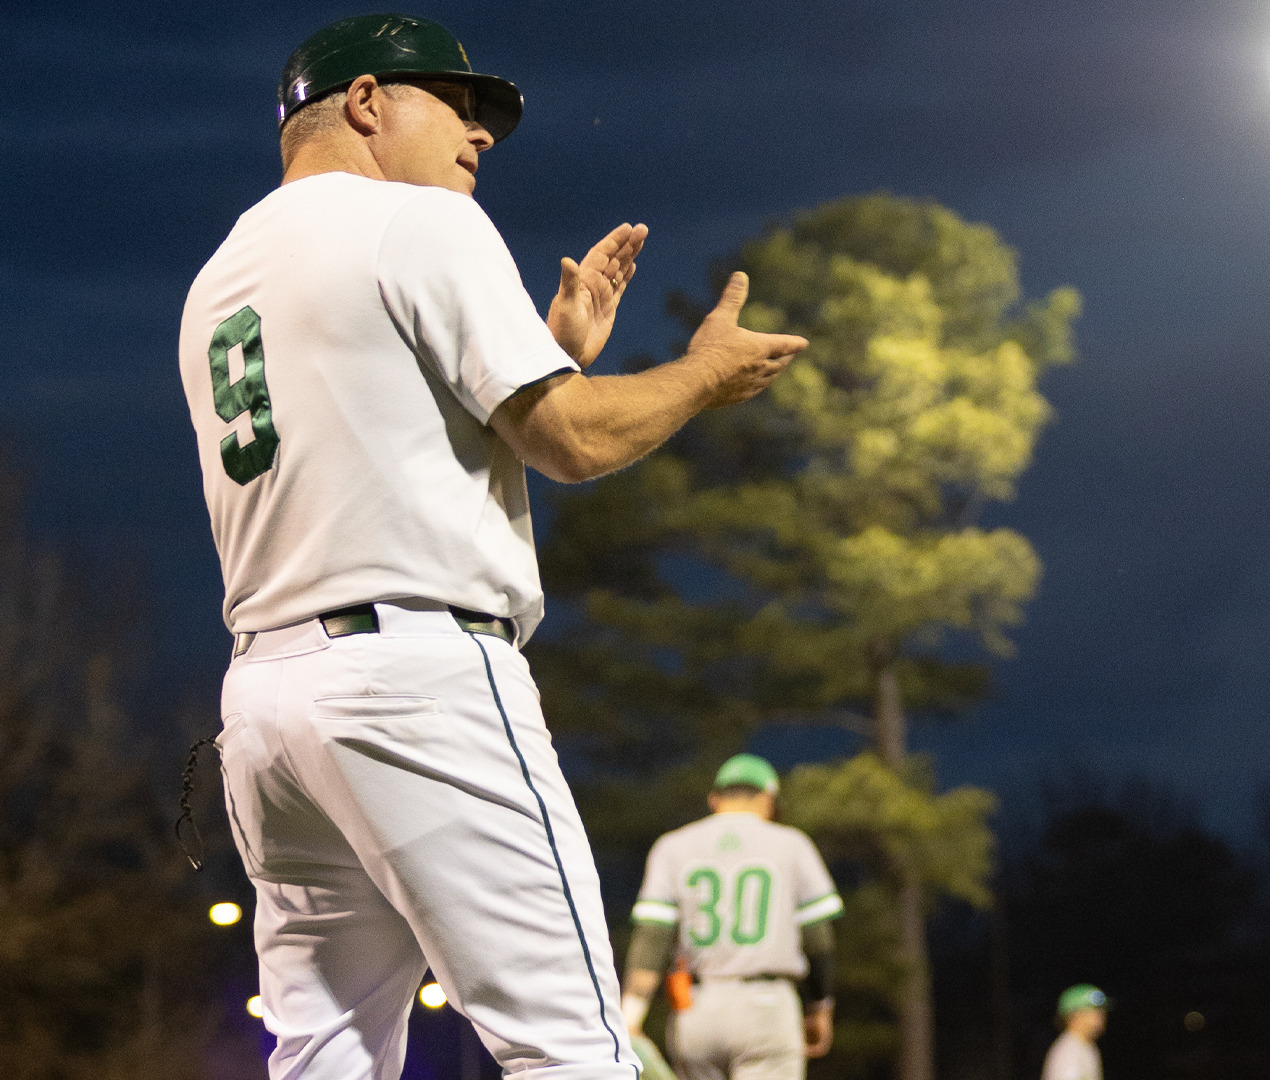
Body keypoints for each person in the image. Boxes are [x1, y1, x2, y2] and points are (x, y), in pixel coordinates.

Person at [179, 14, 807, 1079]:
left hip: (266, 706)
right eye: (458, 106)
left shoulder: (220, 277)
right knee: (571, 1048)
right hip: (415, 680)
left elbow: (385, 441)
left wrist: (546, 353)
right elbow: (572, 441)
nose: (481, 135)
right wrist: (705, 375)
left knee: (323, 1058)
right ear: (366, 102)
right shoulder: (418, 222)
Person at [622, 755, 844, 1080]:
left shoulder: (672, 846)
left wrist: (630, 1017)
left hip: (697, 1008)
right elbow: (818, 939)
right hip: (767, 1004)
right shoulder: (792, 844)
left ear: (714, 799)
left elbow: (652, 937)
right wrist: (819, 1007)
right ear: (767, 799)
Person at [1041, 985, 1108, 1080]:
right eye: (1093, 1010)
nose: (1100, 1016)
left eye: (1101, 1011)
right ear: (1073, 1016)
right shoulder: (1068, 1051)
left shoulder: (1088, 1046)